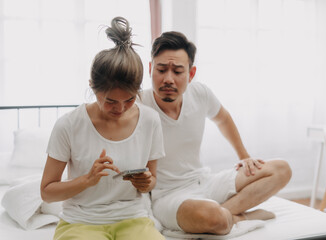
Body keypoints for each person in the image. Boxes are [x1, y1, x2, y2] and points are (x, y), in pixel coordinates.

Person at [140, 31, 292, 235]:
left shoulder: (200, 93)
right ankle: (238, 216)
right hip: (168, 196)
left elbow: (223, 119)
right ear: (150, 69)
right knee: (213, 218)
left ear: (191, 74)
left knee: (281, 169)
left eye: (177, 71)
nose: (168, 79)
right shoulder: (138, 104)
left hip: (204, 181)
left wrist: (244, 157)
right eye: (161, 70)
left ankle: (229, 214)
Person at [40, 17, 165, 240]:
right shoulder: (69, 125)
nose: (121, 109)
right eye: (110, 101)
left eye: (129, 100)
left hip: (132, 218)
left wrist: (146, 182)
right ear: (92, 86)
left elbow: (152, 180)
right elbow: (47, 192)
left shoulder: (151, 121)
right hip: (80, 222)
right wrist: (86, 180)